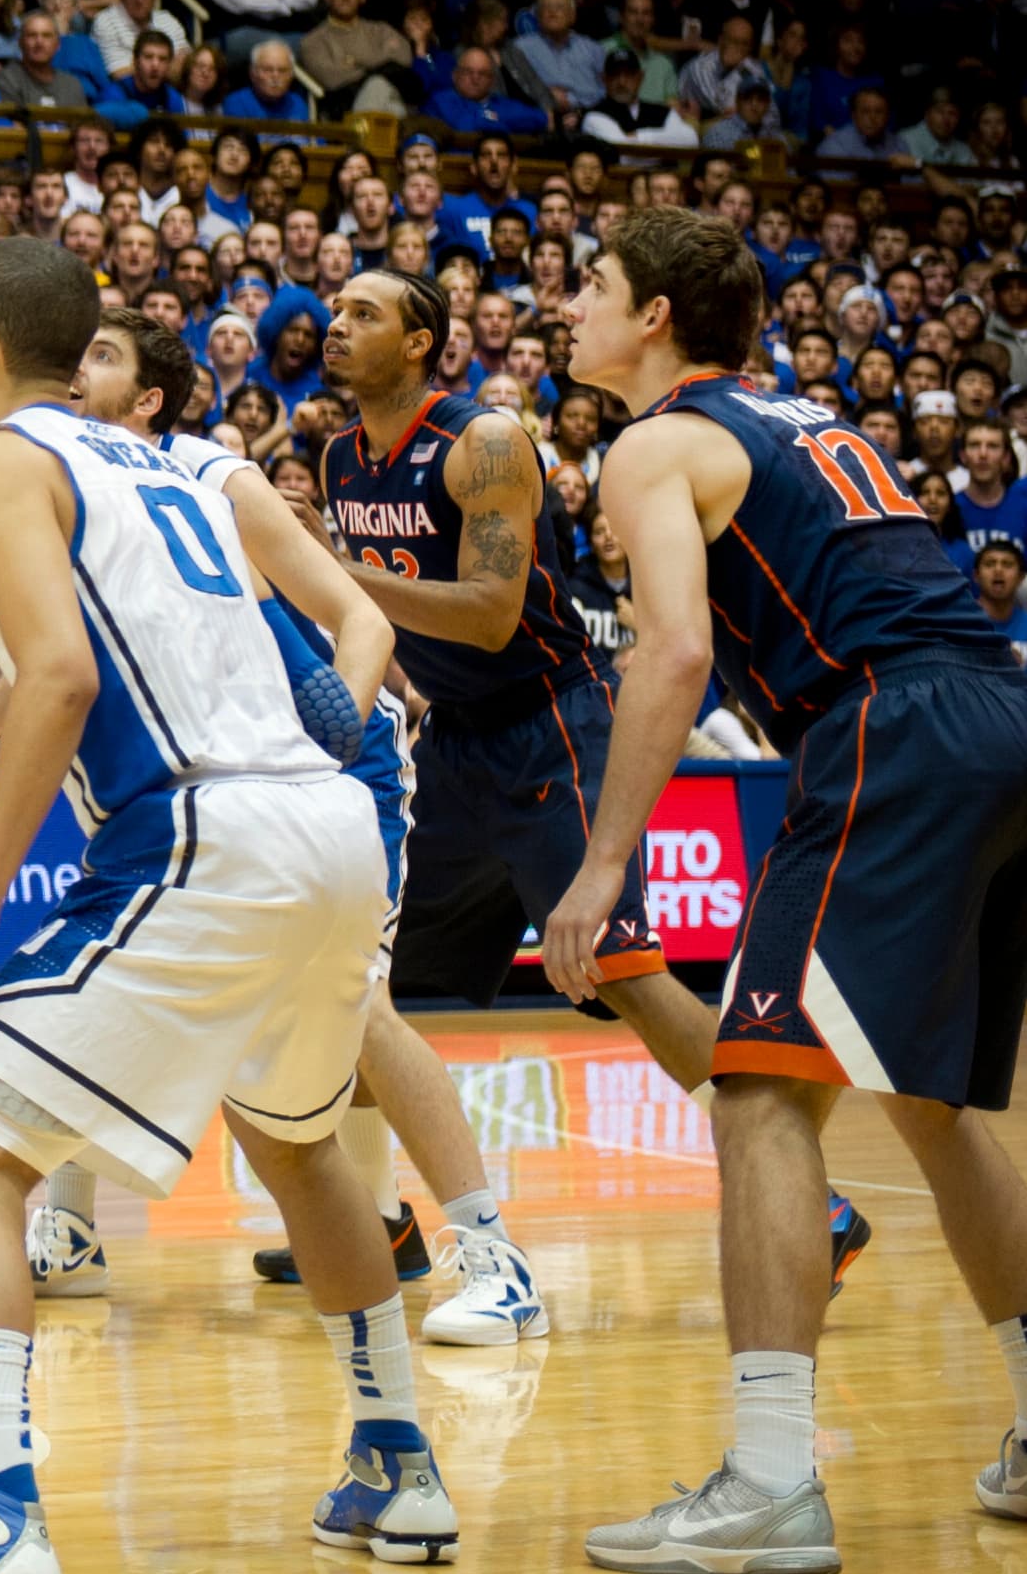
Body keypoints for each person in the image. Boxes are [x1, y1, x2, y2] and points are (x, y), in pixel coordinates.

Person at [0, 235, 445, 1574]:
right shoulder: (176, 465)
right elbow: (126, 640)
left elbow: (60, 669)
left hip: (199, 830)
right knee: (298, 1148)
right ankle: (395, 1461)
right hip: (327, 823)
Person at [558, 209, 1027, 1574]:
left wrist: (602, 865)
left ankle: (767, 1479)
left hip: (888, 727)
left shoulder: (653, 442)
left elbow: (671, 652)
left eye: (592, 284)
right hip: (993, 713)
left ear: (653, 316)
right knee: (927, 1105)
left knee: (757, 1088)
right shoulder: (800, 416)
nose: (569, 305)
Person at [302, 268, 868, 1290]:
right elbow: (391, 614)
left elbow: (487, 612)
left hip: (549, 724)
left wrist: (327, 571)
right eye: (333, 310)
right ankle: (381, 1222)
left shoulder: (481, 440)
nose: (334, 324)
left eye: (362, 313)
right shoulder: (342, 455)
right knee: (354, 981)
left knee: (621, 971)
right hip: (452, 743)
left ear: (421, 341)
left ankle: (812, 1204)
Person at [27, 311, 544, 1350]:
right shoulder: (56, 480)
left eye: (100, 355)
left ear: (148, 401)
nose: (75, 369)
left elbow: (353, 620)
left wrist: (333, 725)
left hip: (322, 752)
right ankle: (73, 1229)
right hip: (208, 767)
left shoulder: (204, 473)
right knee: (114, 974)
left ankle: (495, 1258)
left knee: (357, 1009)